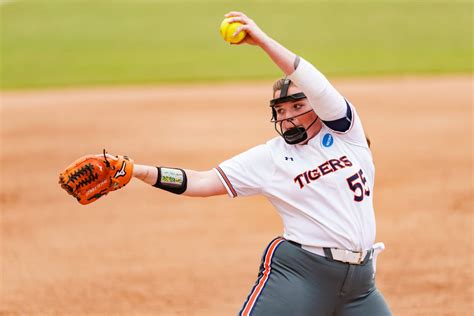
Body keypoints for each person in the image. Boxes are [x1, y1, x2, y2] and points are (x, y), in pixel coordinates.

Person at [132, 11, 392, 316]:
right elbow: (201, 181)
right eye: (280, 110)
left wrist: (263, 42)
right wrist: (141, 172)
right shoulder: (270, 157)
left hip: (360, 285)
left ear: (318, 106)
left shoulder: (346, 133)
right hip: (302, 275)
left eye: (298, 105)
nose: (288, 116)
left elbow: (314, 82)